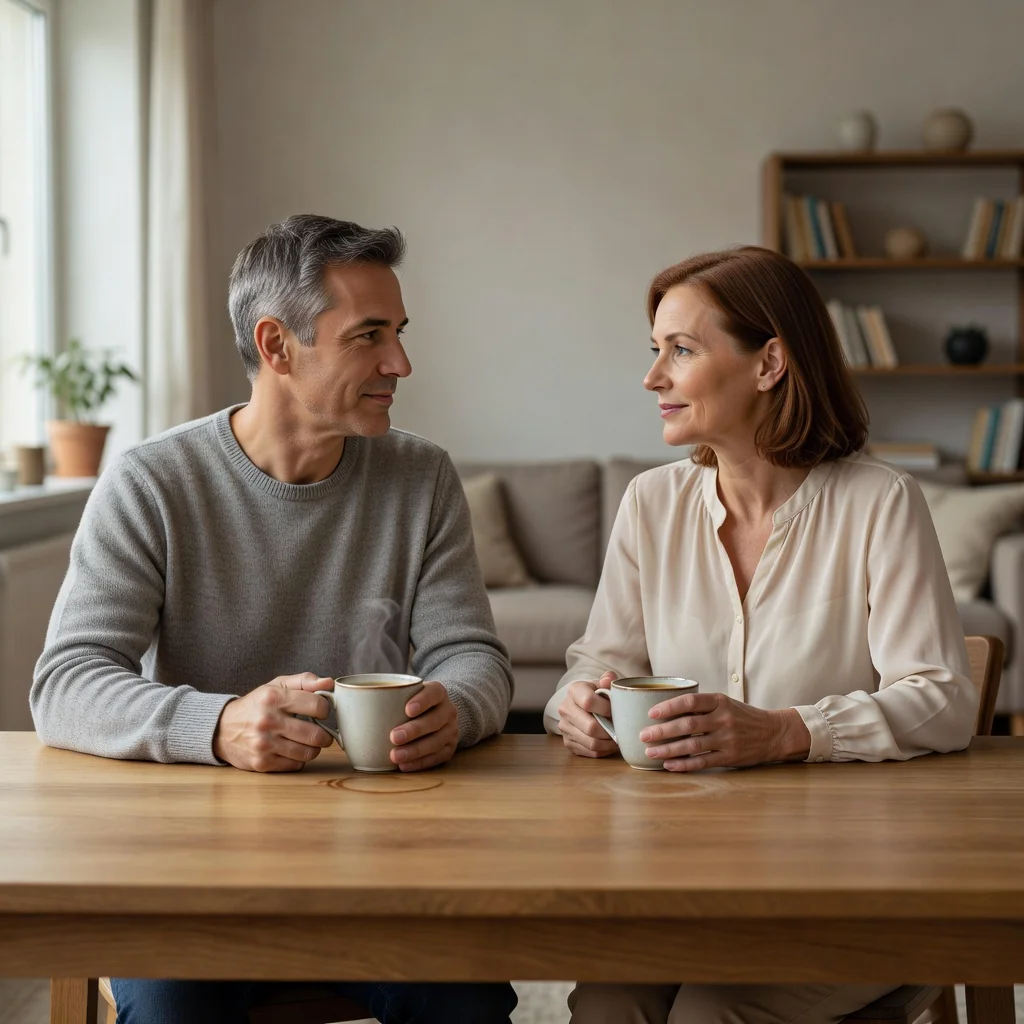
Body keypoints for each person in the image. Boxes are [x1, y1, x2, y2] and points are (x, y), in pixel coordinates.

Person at [31, 214, 517, 1024]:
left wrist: (455, 708)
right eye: (369, 336)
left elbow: (473, 655)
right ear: (276, 345)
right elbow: (66, 683)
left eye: (398, 333)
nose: (401, 362)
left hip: (384, 864)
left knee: (466, 1004)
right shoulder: (152, 481)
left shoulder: (421, 475)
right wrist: (217, 725)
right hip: (192, 868)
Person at [545, 246, 977, 1024]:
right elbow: (595, 664)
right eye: (655, 352)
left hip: (856, 893)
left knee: (709, 1015)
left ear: (771, 362)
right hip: (686, 882)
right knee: (607, 1004)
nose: (653, 379)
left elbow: (943, 698)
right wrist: (576, 703)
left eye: (681, 350)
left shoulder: (881, 502)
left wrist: (785, 732)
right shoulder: (651, 504)